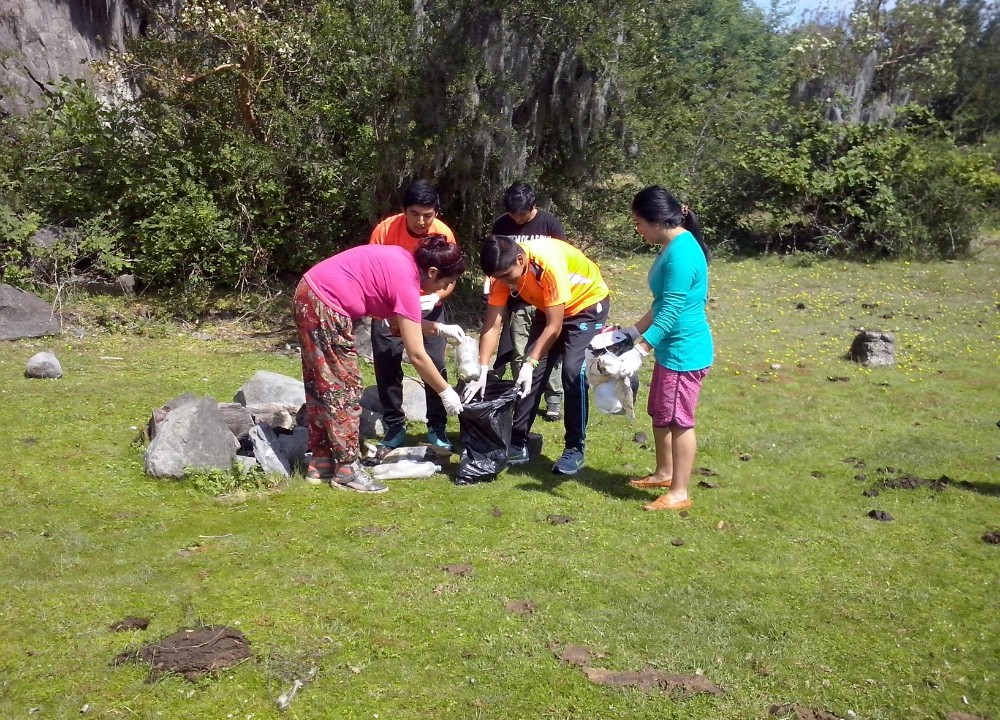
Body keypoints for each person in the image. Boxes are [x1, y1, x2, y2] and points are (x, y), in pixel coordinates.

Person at [294, 237, 467, 493]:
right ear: (432, 272)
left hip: (308, 293)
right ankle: (346, 471)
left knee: (320, 384)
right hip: (327, 306)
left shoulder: (402, 262)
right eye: (444, 282)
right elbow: (417, 354)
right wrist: (445, 392)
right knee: (344, 388)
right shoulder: (407, 282)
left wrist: (438, 329)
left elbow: (398, 326)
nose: (442, 288)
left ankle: (321, 461)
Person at [463, 234, 610, 475]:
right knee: (528, 375)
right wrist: (483, 368)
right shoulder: (503, 272)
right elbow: (492, 324)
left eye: (508, 278)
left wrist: (532, 360)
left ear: (521, 260)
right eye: (500, 280)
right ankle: (518, 442)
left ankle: (575, 448)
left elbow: (555, 327)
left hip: (586, 305)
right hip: (549, 304)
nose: (507, 285)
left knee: (573, 370)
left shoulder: (548, 265)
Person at [614, 186, 713, 511]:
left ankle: (679, 493)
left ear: (656, 219)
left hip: (685, 352)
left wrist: (639, 351)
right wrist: (632, 333)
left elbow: (671, 310)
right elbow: (660, 304)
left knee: (679, 419)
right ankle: (664, 473)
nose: (637, 229)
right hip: (670, 350)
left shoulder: (682, 253)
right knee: (660, 412)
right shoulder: (670, 246)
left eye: (638, 221)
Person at [369, 180, 462, 452]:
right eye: (414, 214)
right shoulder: (385, 230)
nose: (421, 221)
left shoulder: (443, 233)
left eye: (428, 215)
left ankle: (437, 426)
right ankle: (395, 425)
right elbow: (373, 273)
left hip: (427, 305)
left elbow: (451, 275)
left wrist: (435, 297)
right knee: (386, 361)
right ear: (404, 211)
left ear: (437, 212)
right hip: (388, 306)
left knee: (434, 360)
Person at [490, 182, 568, 422]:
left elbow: (562, 258)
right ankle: (521, 394)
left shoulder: (548, 223)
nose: (518, 218)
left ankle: (554, 398)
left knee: (547, 348)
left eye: (522, 213)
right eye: (513, 213)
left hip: (548, 296)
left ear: (534, 206)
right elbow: (495, 259)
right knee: (519, 350)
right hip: (517, 298)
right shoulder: (502, 224)